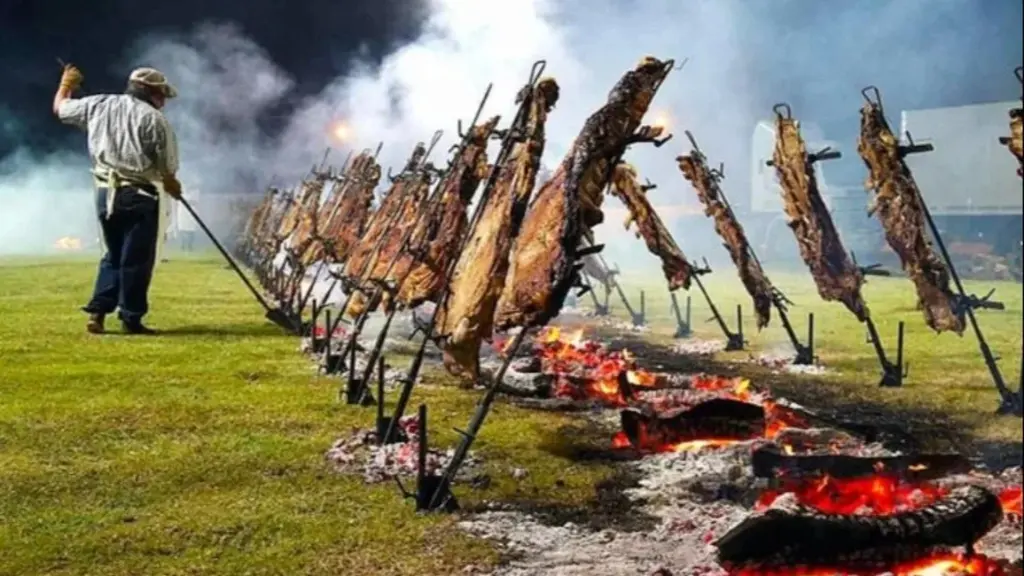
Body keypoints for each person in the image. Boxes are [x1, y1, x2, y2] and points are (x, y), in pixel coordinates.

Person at [53, 64, 182, 335]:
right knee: (136, 259)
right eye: (161, 95)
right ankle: (131, 318)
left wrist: (66, 84)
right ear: (150, 92)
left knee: (112, 255)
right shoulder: (154, 120)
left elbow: (61, 108)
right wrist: (173, 186)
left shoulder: (98, 104)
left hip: (104, 194)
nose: (163, 102)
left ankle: (98, 313)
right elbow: (167, 168)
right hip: (139, 196)